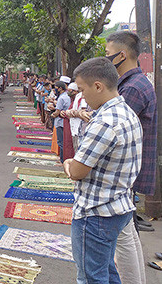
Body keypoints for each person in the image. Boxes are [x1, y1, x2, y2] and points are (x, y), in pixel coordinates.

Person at [64, 57, 142, 284]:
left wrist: (68, 163)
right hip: (118, 207)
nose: (81, 97)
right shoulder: (127, 113)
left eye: (82, 90)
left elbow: (77, 171)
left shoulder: (105, 122)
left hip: (96, 212)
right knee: (106, 272)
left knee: (90, 277)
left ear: (98, 86)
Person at [106, 31, 157, 283]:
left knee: (123, 240)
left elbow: (113, 128)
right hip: (130, 171)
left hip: (125, 173)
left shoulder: (132, 88)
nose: (107, 60)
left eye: (108, 55)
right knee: (128, 237)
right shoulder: (135, 84)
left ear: (121, 55)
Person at [51, 80, 70, 160]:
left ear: (60, 88)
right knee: (64, 141)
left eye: (56, 88)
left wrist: (52, 114)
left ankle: (63, 159)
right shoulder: (67, 96)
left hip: (60, 122)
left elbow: (58, 111)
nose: (55, 90)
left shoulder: (61, 98)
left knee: (61, 142)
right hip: (65, 121)